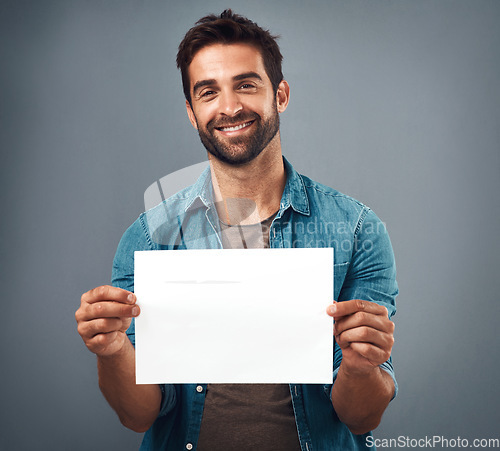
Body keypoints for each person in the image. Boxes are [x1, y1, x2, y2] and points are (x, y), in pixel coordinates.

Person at [75, 10, 398, 451]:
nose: (229, 107)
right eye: (209, 92)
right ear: (191, 112)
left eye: (246, 84)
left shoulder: (357, 229)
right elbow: (138, 416)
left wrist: (362, 367)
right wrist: (112, 350)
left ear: (280, 94)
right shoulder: (150, 238)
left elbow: (362, 416)